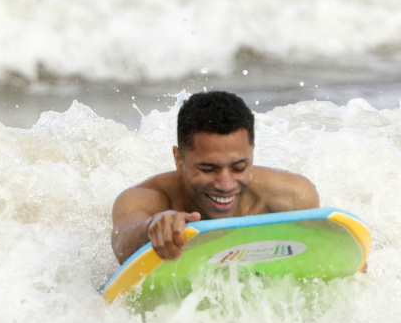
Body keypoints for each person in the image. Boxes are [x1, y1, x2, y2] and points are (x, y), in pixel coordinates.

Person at [111, 90, 320, 264]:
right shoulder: (149, 198)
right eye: (208, 169)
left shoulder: (293, 198)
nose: (226, 185)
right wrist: (150, 228)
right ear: (179, 160)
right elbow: (121, 245)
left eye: (238, 167)